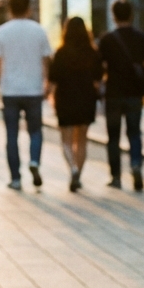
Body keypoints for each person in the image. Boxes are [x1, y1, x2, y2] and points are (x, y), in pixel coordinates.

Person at [0, 0, 52, 191]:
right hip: (33, 89)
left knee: (12, 135)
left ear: (9, 9)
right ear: (29, 9)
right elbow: (46, 60)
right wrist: (47, 82)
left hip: (10, 90)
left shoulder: (2, 31)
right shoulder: (39, 30)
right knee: (35, 130)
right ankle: (34, 161)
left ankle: (15, 178)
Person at [97, 0, 144, 191]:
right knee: (134, 133)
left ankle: (116, 176)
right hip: (135, 94)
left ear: (113, 16)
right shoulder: (142, 38)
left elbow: (101, 68)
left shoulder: (107, 39)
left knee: (113, 136)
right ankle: (136, 165)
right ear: (131, 15)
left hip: (113, 93)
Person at [47, 17, 103, 192]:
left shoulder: (61, 53)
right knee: (82, 140)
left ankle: (72, 168)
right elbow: (98, 80)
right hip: (86, 98)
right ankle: (78, 171)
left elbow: (53, 80)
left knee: (66, 139)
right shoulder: (92, 53)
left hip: (65, 98)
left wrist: (48, 95)